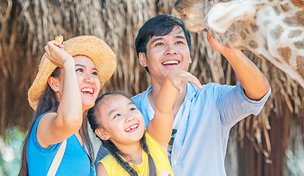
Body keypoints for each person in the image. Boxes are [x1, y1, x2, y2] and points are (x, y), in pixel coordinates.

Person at [132, 14, 271, 175]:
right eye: (159, 44)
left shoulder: (211, 98)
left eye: (179, 42)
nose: (171, 51)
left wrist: (229, 50)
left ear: (189, 55)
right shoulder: (131, 110)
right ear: (143, 59)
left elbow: (258, 93)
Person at [18, 35, 116, 176]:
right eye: (79, 70)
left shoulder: (81, 139)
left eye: (94, 73)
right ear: (54, 83)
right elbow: (71, 118)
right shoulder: (46, 122)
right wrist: (67, 63)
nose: (90, 79)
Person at [88, 68, 201, 176]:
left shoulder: (154, 139)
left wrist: (170, 82)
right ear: (103, 133)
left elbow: (163, 111)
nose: (129, 117)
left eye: (132, 109)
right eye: (117, 115)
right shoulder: (105, 167)